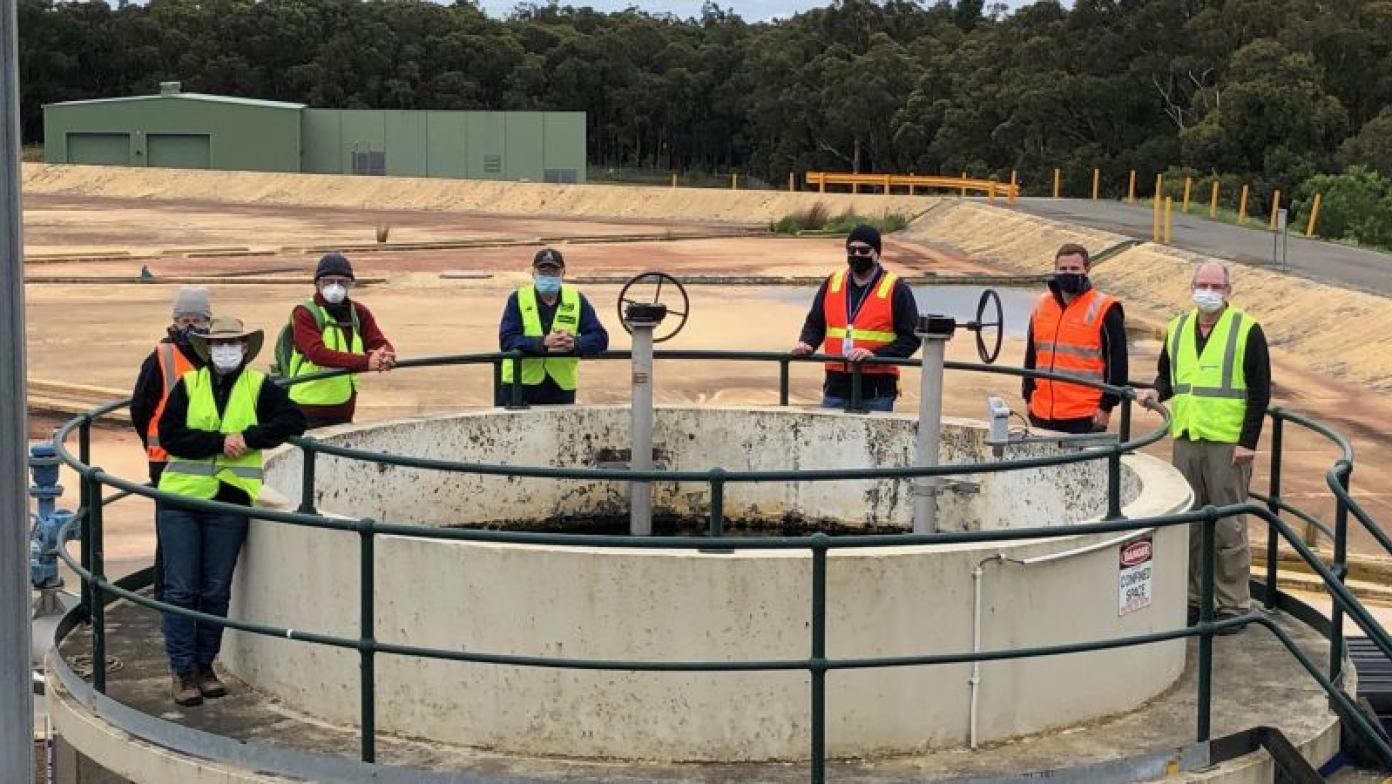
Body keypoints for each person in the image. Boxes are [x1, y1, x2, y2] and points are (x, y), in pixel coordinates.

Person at [157, 316, 306, 705]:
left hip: (231, 499)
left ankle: (206, 666)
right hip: (183, 499)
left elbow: (293, 420)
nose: (226, 351)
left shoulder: (258, 386)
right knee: (181, 589)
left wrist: (251, 437)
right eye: (220, 344)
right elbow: (170, 434)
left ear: (243, 349)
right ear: (209, 350)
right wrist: (220, 442)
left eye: (233, 344)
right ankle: (183, 670)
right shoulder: (190, 385)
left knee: (214, 588)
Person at [1138, 261, 1270, 634]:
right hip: (1187, 437)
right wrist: (1155, 391)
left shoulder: (1246, 329)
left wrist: (1248, 442)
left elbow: (1260, 391)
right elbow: (1169, 376)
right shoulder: (1178, 327)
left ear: (1229, 290)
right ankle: (1195, 599)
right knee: (1192, 524)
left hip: (1227, 444)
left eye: (1216, 285)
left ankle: (1232, 605)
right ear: (1191, 287)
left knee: (1229, 526)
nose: (1208, 291)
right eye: (1202, 284)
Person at [129, 286, 213, 601]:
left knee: (200, 527)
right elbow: (140, 408)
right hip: (166, 459)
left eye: (197, 319)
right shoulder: (161, 357)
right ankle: (167, 593)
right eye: (184, 320)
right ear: (174, 322)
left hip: (203, 455)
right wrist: (154, 444)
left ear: (209, 322)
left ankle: (188, 591)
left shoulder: (214, 355)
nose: (190, 327)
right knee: (171, 531)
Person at [791, 225, 920, 411]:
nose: (857, 254)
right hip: (836, 386)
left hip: (877, 389)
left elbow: (911, 337)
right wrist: (807, 343)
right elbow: (815, 323)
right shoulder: (832, 283)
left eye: (864, 250)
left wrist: (876, 356)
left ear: (877, 254)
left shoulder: (896, 289)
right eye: (851, 250)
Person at [1022, 243, 1128, 433]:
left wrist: (1106, 408)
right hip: (1042, 412)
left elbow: (1117, 365)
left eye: (1074, 269)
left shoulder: (1105, 308)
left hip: (1084, 416)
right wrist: (1028, 396)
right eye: (1062, 269)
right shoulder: (1042, 305)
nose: (1068, 273)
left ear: (1087, 269)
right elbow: (1031, 356)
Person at [286, 253, 396, 429]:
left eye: (342, 282)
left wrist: (385, 355)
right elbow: (317, 353)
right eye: (329, 282)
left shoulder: (358, 312)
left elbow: (378, 341)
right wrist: (365, 362)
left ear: (350, 285)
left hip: (344, 405)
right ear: (317, 284)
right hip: (308, 407)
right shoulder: (305, 313)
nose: (335, 287)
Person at [498, 248, 609, 405]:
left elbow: (600, 337)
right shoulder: (518, 299)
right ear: (533, 273)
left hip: (560, 388)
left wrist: (575, 343)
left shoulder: (576, 300)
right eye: (543, 272)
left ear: (563, 273)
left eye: (553, 272)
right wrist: (543, 342)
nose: (548, 277)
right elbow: (507, 340)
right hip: (519, 386)